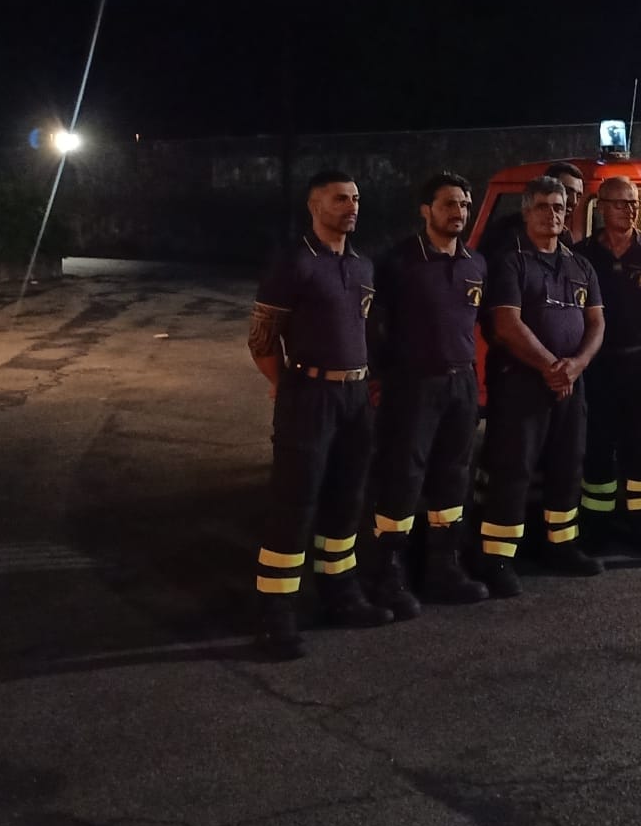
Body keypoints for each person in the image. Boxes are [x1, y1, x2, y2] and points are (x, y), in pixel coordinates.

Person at [245, 168, 393, 660]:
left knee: (347, 500)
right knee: (294, 503)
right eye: (338, 199)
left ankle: (340, 594)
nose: (350, 207)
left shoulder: (363, 265)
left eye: (354, 198)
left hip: (355, 399)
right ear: (315, 206)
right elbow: (262, 337)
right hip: (308, 395)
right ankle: (275, 613)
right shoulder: (293, 263)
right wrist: (285, 387)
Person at [362, 171, 493, 618]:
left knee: (453, 477)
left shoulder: (476, 263)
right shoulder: (397, 263)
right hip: (412, 386)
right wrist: (383, 377)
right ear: (426, 211)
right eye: (448, 204)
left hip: (460, 383)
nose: (458, 213)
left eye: (463, 205)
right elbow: (372, 328)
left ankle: (443, 569)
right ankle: (387, 576)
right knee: (402, 478)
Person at [480, 174, 606, 589]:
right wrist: (553, 366)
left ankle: (562, 546)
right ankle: (498, 559)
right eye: (543, 206)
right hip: (522, 383)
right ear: (526, 210)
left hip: (572, 383)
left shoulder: (579, 264)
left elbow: (597, 322)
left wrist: (577, 366)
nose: (552, 214)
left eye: (559, 207)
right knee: (513, 468)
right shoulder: (510, 262)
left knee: (567, 466)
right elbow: (506, 322)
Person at [575, 174, 641, 555]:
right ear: (601, 207)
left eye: (633, 203)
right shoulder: (583, 256)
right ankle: (597, 528)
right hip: (598, 368)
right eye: (619, 203)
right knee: (597, 447)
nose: (629, 210)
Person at [543, 161, 588, 246]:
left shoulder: (565, 237)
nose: (574, 201)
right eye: (566, 191)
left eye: (578, 196)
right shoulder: (516, 234)